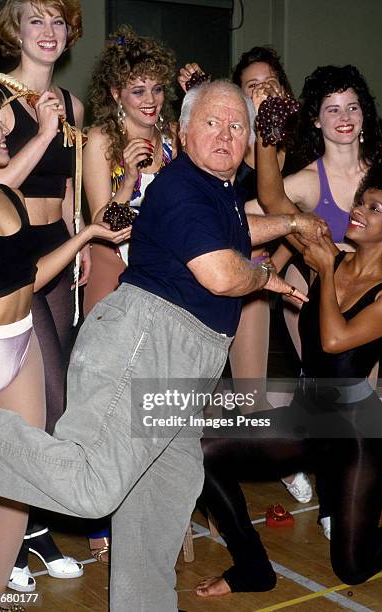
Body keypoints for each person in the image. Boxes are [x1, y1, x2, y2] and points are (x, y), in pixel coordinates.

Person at [0, 80, 323, 612]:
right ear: (181, 133)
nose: (225, 135)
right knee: (92, 487)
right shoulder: (181, 187)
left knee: (162, 500)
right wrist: (266, 272)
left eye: (236, 126)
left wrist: (292, 220)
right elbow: (223, 274)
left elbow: (236, 227)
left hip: (187, 361)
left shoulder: (217, 193)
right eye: (211, 123)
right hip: (146, 342)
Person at [195, 155, 382, 598]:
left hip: (358, 434)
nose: (358, 210)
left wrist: (326, 270)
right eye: (362, 201)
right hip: (307, 421)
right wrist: (266, 138)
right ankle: (252, 568)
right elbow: (277, 200)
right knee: (202, 450)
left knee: (352, 569)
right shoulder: (331, 256)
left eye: (375, 208)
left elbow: (336, 340)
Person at [0, 81, 130, 598]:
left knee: (18, 478)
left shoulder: (5, 197)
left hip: (20, 345)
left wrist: (85, 236)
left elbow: (31, 277)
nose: (2, 128)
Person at [252, 64, 382, 538]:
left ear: (365, 114)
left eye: (352, 106)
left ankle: (359, 494)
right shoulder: (310, 181)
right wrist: (266, 132)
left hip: (377, 310)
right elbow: (270, 198)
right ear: (315, 120)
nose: (344, 117)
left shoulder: (380, 175)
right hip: (328, 308)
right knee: (333, 401)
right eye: (332, 109)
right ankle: (335, 496)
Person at [178, 49, 312, 503]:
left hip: (295, 259)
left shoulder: (301, 138)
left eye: (270, 81)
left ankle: (310, 456)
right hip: (247, 265)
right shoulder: (234, 144)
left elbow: (301, 212)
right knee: (248, 388)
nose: (263, 90)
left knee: (323, 371)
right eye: (251, 85)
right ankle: (254, 461)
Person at [0, 0, 90, 588]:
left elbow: (70, 184)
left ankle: (27, 522)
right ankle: (27, 529)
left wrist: (77, 239)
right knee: (43, 400)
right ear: (15, 31)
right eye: (36, 21)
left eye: (58, 21)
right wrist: (44, 128)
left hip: (58, 250)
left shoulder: (73, 104)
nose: (49, 32)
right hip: (17, 252)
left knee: (60, 401)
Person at [82, 27, 177, 561]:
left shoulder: (174, 139)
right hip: (113, 271)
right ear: (117, 93)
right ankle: (99, 519)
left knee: (156, 404)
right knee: (110, 404)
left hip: (161, 278)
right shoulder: (100, 140)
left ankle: (149, 513)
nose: (149, 100)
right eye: (138, 89)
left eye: (157, 89)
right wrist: (127, 183)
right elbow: (103, 223)